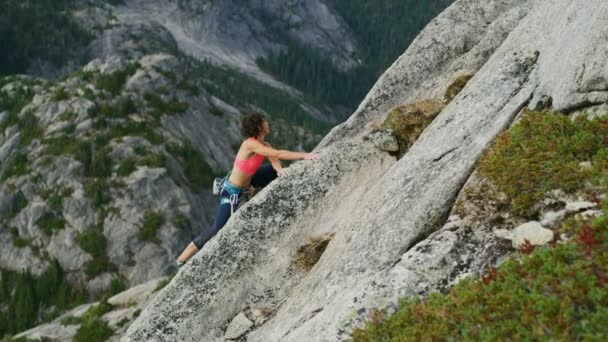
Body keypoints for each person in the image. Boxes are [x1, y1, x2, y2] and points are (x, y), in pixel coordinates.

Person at [176, 112, 320, 266]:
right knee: (219, 227)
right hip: (232, 191)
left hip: (249, 182)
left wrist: (279, 170)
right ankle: (182, 258)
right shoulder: (249, 144)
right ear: (258, 126)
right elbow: (277, 153)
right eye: (265, 122)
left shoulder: (265, 145)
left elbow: (274, 159)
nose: (268, 124)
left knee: (273, 171)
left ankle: (253, 192)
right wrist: (305, 155)